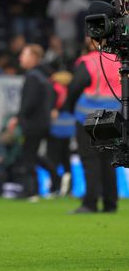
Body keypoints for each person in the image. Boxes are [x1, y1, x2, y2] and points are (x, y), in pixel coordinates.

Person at [62, 37, 120, 214]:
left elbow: (75, 86)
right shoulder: (118, 61)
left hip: (88, 115)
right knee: (109, 160)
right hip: (113, 115)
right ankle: (110, 203)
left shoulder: (89, 61)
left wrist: (69, 108)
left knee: (91, 161)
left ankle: (90, 203)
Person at [8, 44, 60, 200]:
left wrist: (18, 117)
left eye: (24, 54)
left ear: (34, 58)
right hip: (43, 122)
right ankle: (56, 179)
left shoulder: (32, 76)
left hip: (32, 123)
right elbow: (54, 95)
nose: (20, 58)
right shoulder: (45, 76)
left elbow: (29, 101)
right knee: (34, 155)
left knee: (28, 156)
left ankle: (32, 190)